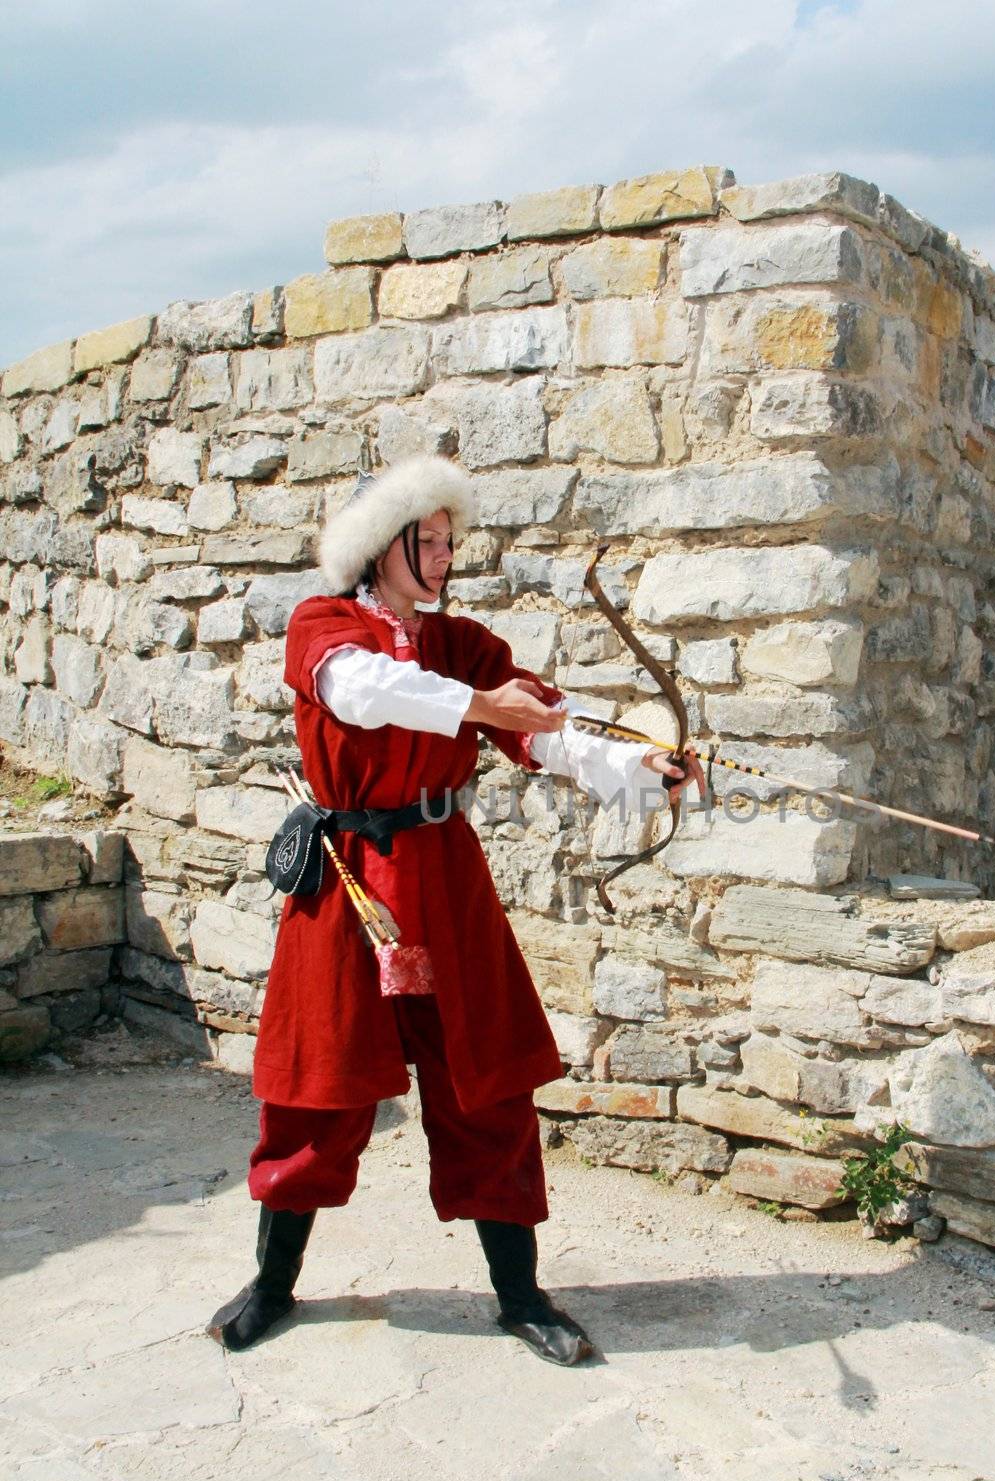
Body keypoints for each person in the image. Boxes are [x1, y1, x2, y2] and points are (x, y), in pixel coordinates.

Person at [207, 453, 705, 1365]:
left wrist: (641, 761)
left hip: (444, 875)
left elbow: (547, 726)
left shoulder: (461, 642)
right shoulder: (324, 626)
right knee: (317, 1086)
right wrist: (483, 705)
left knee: (487, 1084)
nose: (441, 556)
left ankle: (521, 1296)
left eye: (447, 542)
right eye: (424, 540)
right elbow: (362, 691)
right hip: (349, 875)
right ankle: (272, 1285)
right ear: (378, 546)